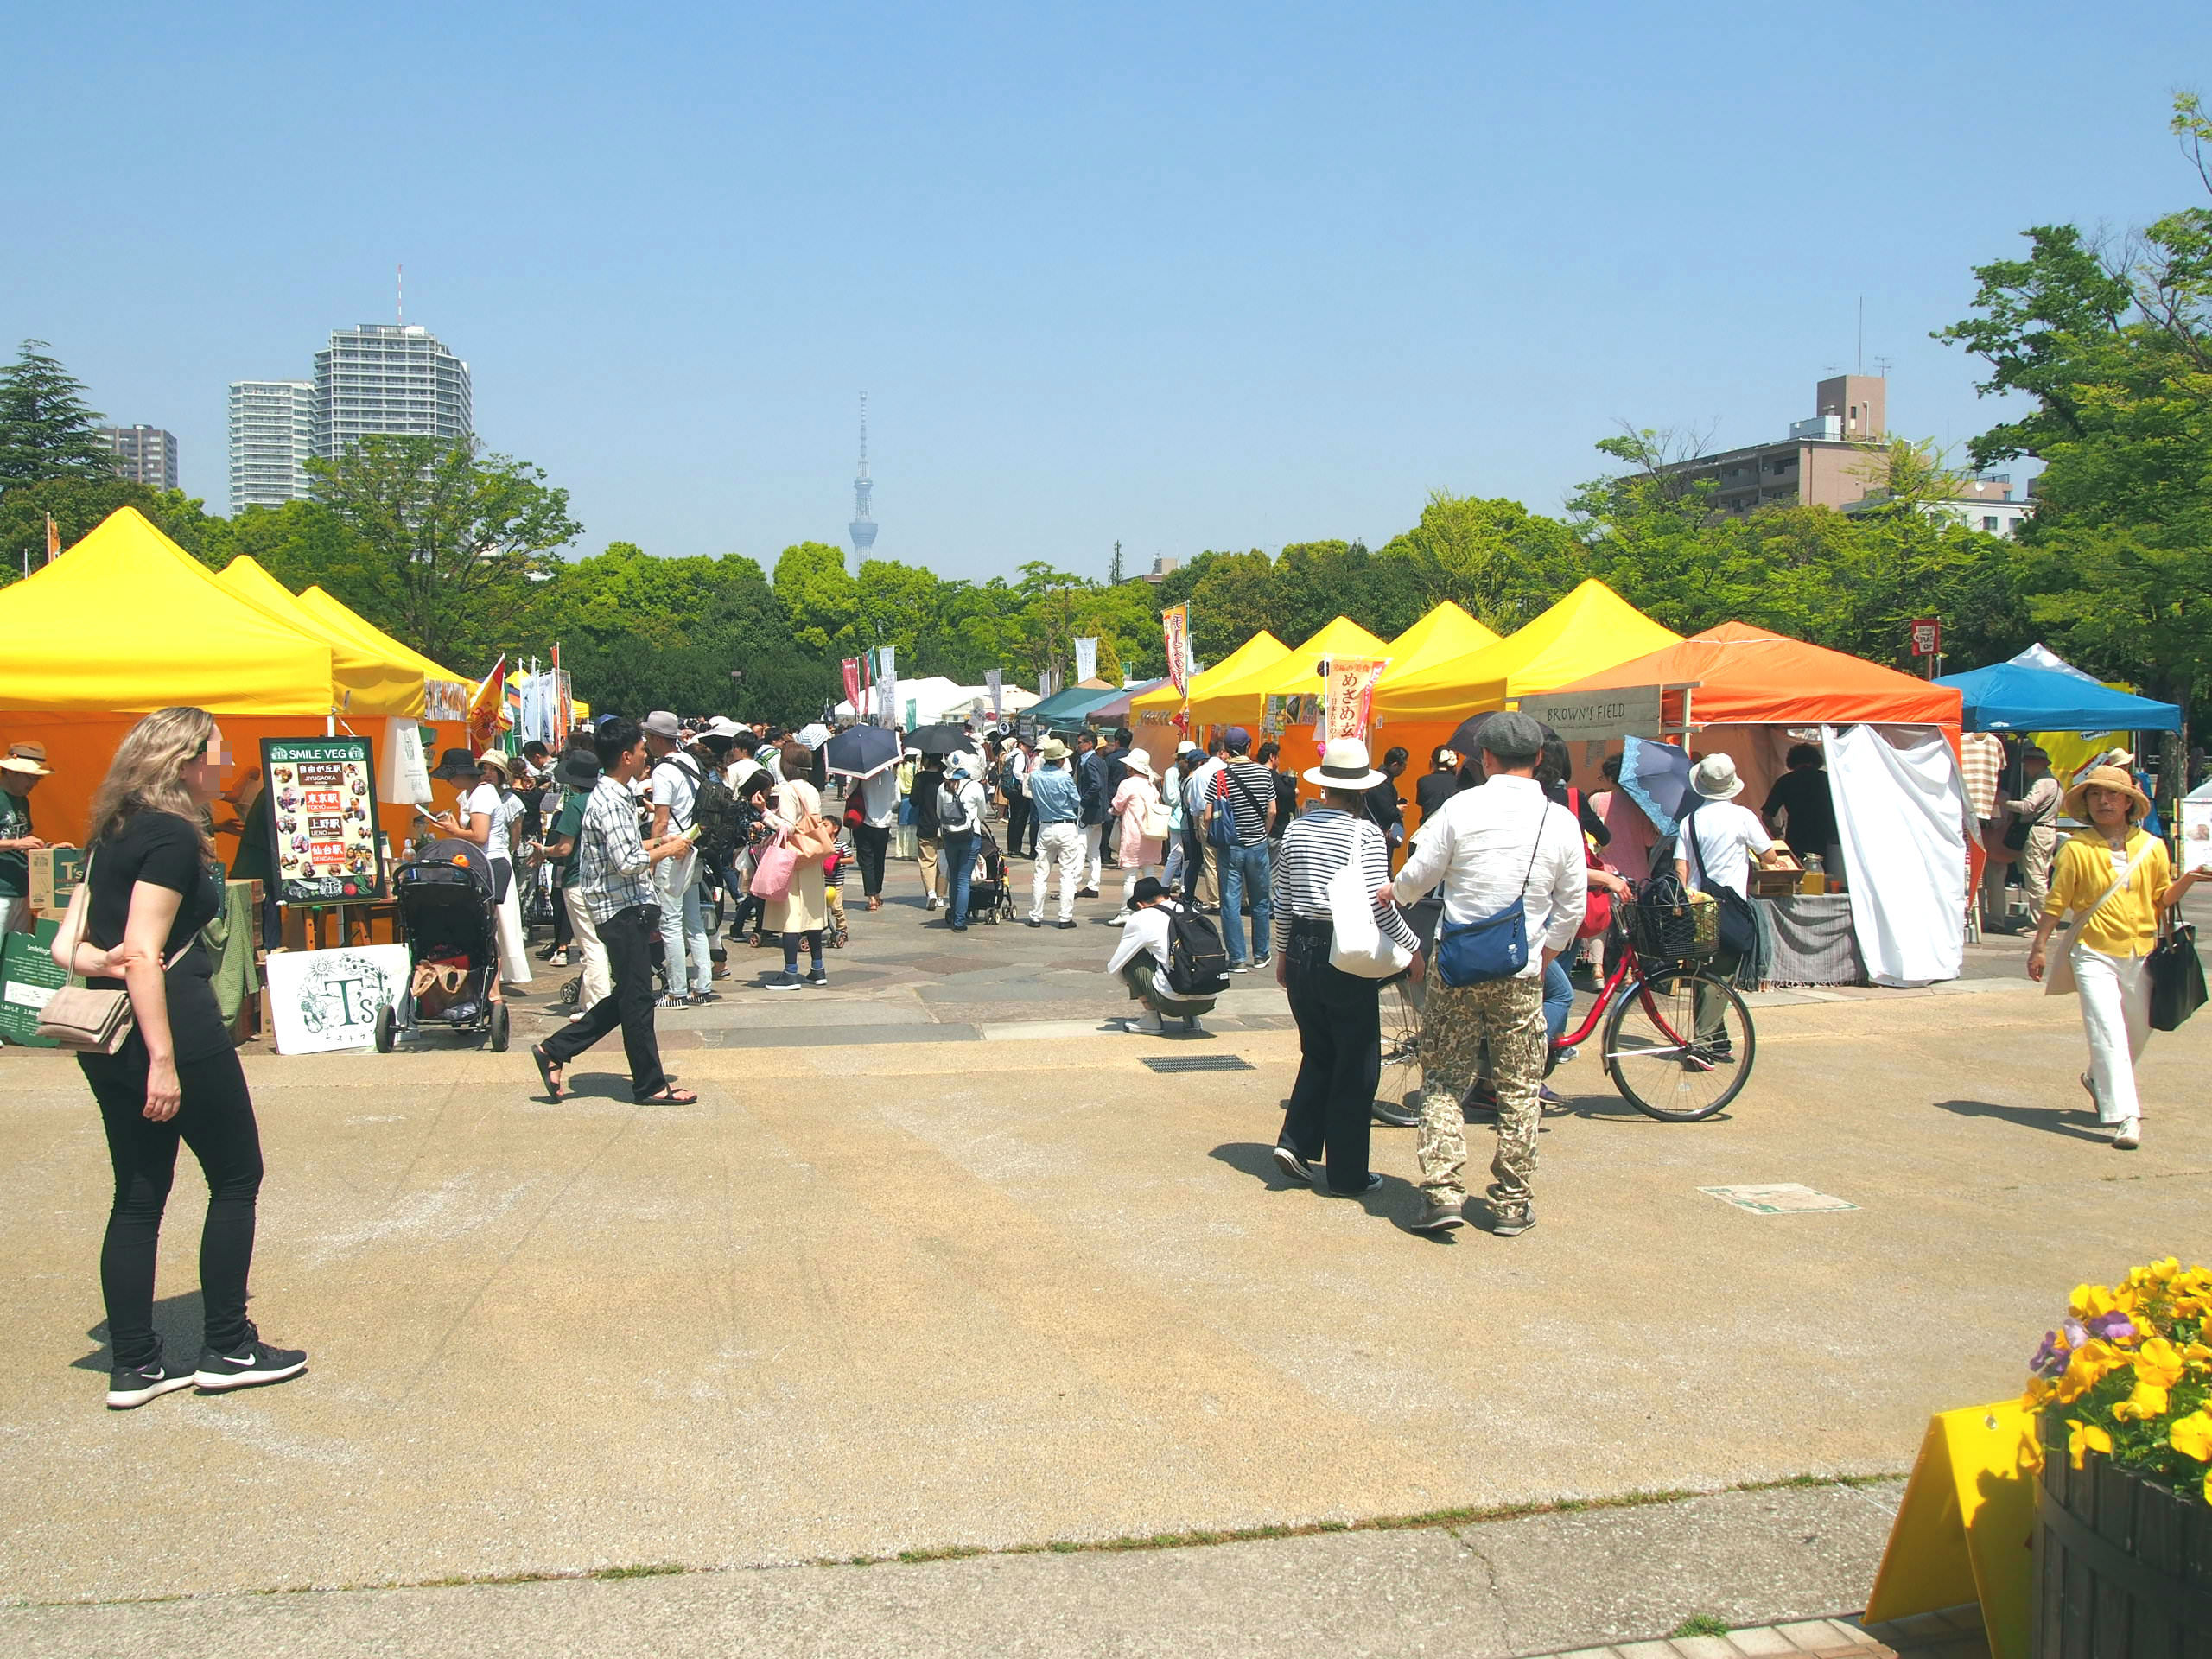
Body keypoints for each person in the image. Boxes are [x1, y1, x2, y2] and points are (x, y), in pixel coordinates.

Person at [57, 707, 306, 1408]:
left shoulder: (114, 830)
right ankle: (228, 1344)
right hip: (170, 1026)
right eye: (219, 754)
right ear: (188, 759)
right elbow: (143, 949)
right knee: (236, 1175)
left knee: (137, 1195)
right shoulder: (169, 835)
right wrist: (163, 1058)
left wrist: (106, 960)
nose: (226, 768)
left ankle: (134, 1363)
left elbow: (67, 947)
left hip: (108, 1032)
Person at [1392, 711, 1586, 1237]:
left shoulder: (1461, 806)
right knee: (1520, 1085)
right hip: (1521, 970)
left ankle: (1442, 1192)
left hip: (1455, 966)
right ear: (1540, 759)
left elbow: (1418, 875)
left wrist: (1397, 892)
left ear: (1485, 759)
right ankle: (1510, 1203)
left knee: (1444, 1079)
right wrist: (1546, 955)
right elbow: (1571, 906)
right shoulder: (1559, 820)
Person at [1269, 737, 1421, 1202]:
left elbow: (1281, 900)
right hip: (1345, 952)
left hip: (1301, 946)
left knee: (1318, 1051)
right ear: (1361, 790)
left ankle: (1295, 1143)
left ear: (1325, 786)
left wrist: (1281, 954)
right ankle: (1347, 1173)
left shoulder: (1296, 830)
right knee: (1356, 1062)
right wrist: (1412, 947)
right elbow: (1379, 904)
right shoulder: (1366, 834)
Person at [2026, 765, 2202, 1150]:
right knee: (2106, 1029)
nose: (2104, 801)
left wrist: (2189, 878)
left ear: (2128, 803)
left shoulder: (2154, 847)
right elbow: (2058, 901)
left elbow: (2162, 898)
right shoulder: (2076, 848)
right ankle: (2126, 1115)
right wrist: (2039, 945)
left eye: (2112, 795)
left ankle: (2096, 1078)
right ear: (2086, 803)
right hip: (2091, 952)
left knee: (2138, 1030)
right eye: (2095, 795)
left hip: (2140, 950)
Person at [531, 719, 698, 1106]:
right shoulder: (609, 798)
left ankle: (555, 1049)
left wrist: (660, 838)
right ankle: (650, 1085)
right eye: (642, 750)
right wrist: (667, 851)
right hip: (621, 909)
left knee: (630, 995)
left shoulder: (613, 795)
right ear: (626, 756)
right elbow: (627, 861)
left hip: (623, 906)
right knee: (638, 1000)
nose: (646, 756)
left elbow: (620, 848)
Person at [1675, 753, 1785, 1032]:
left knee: (1703, 973)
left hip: (1699, 905)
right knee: (1721, 976)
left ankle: (1714, 1037)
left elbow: (1680, 868)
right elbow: (1770, 856)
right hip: (1730, 905)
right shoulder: (1742, 817)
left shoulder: (1690, 821)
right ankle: (1702, 1042)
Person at [425, 748, 531, 993]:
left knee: (488, 928)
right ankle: (488, 985)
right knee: (486, 927)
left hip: (490, 863)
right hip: (484, 862)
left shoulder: (482, 794)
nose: (449, 782)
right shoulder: (475, 793)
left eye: (450, 776)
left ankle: (492, 988)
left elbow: (480, 836)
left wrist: (452, 830)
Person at [640, 711, 715, 1008]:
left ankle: (676, 990)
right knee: (694, 922)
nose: (646, 743)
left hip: (673, 849)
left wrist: (653, 859)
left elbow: (660, 822)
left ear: (658, 738)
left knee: (670, 923)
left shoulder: (662, 771)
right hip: (694, 846)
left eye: (648, 737)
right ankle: (703, 985)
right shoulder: (691, 761)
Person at [537, 745, 610, 1018]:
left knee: (591, 945)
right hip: (603, 878)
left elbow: (564, 849)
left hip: (578, 879)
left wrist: (545, 851)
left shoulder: (574, 806)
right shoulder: (605, 800)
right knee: (594, 940)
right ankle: (586, 999)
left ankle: (598, 1007)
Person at [762, 741, 835, 987]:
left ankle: (791, 971)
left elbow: (788, 827)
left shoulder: (787, 790)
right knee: (813, 912)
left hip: (793, 857)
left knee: (790, 914)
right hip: (812, 855)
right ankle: (818, 968)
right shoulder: (812, 790)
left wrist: (764, 813)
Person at [1107, 875, 1218, 1033]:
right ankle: (1192, 1019)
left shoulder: (1141, 917)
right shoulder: (1190, 910)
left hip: (1169, 1002)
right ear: (1166, 896)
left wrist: (1132, 984)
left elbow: (1114, 967)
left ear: (1140, 905)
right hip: (1208, 999)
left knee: (1132, 959)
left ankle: (1151, 1020)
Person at [1209, 728, 1275, 972]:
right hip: (1258, 845)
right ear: (1249, 746)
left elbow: (1208, 815)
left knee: (1230, 902)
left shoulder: (1220, 777)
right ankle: (1261, 954)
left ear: (1226, 749)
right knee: (1259, 902)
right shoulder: (1264, 773)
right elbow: (1272, 811)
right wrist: (1262, 833)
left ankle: (1237, 958)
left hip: (1230, 846)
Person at [1025, 737, 1084, 929]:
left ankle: (1035, 916)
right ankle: (1065, 917)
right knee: (1067, 873)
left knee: (1040, 873)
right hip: (1066, 826)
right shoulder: (1065, 777)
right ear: (1060, 760)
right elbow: (1076, 801)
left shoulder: (1035, 776)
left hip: (1045, 826)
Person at [1760, 743, 1840, 873]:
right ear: (1816, 760)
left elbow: (1767, 815)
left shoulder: (1785, 781)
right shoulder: (1828, 779)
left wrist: (1775, 830)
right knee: (1830, 876)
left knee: (1799, 875)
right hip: (1827, 836)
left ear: (1792, 761)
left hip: (1797, 836)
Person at [2, 740, 54, 935]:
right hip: (1, 893)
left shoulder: (22, 800)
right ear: (11, 771)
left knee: (15, 957)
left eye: (37, 778)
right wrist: (16, 843)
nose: (33, 783)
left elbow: (24, 838)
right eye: (29, 777)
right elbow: (18, 841)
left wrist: (49, 847)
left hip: (20, 889)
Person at [1109, 750, 1167, 920]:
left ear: (1131, 766)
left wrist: (1111, 811)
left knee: (1130, 878)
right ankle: (1152, 910)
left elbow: (1117, 807)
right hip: (1153, 834)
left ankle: (1126, 913)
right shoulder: (1152, 785)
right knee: (1149, 874)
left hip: (1134, 835)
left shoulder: (1127, 784)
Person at [936, 751, 988, 931]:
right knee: (964, 878)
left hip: (950, 836)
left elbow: (938, 813)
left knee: (953, 874)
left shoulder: (943, 787)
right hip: (970, 836)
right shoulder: (975, 787)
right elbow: (982, 813)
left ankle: (954, 913)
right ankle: (959, 921)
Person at [2008, 747, 2063, 919]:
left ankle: (2041, 922)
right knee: (2041, 877)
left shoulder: (2042, 782)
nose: (2024, 767)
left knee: (2035, 879)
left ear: (2035, 763)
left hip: (2038, 830)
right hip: (2048, 830)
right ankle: (2040, 920)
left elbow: (2027, 807)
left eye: (2027, 763)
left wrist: (2004, 803)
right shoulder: (2054, 782)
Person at [849, 758, 898, 912]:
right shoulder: (889, 775)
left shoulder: (862, 775)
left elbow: (849, 793)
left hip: (863, 821)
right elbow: (896, 799)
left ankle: (871, 898)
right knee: (879, 859)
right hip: (883, 824)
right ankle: (876, 892)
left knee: (866, 860)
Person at [911, 752, 947, 910]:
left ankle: (931, 892)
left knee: (927, 861)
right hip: (945, 826)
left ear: (926, 760)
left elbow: (913, 801)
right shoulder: (945, 777)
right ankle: (940, 896)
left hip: (926, 824)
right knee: (943, 862)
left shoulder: (920, 778)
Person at [1075, 730, 1108, 895]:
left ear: (1089, 744)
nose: (1078, 745)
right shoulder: (1099, 761)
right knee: (1094, 850)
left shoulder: (1090, 762)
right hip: (1099, 812)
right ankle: (1094, 885)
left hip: (1090, 811)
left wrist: (1083, 801)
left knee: (1080, 848)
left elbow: (1096, 785)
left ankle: (1073, 885)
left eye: (1080, 742)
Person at [1363, 747, 1409, 865]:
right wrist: (1397, 810)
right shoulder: (1382, 782)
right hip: (1380, 832)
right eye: (1403, 766)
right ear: (1394, 765)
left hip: (1375, 831)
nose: (1404, 769)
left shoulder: (1380, 778)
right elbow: (1386, 811)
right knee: (1382, 866)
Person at [999, 734, 1035, 859]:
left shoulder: (1011, 754)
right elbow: (1017, 772)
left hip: (1011, 791)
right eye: (1028, 746)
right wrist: (1026, 781)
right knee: (1019, 819)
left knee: (1013, 819)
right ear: (1021, 745)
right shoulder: (1020, 755)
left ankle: (1013, 848)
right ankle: (1015, 849)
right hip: (1018, 791)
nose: (1030, 749)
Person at [1414, 747, 1461, 834]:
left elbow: (1421, 802)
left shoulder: (1423, 781)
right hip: (1452, 832)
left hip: (1428, 832)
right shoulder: (1461, 783)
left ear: (1432, 762)